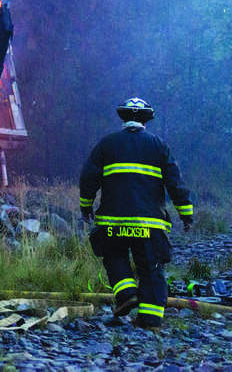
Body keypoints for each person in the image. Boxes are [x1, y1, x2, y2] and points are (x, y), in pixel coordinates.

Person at [80, 97, 194, 329]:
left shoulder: (107, 144)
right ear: (146, 120)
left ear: (123, 117)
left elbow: (88, 178)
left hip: (113, 223)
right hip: (149, 224)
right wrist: (186, 214)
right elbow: (175, 183)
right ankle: (150, 320)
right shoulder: (159, 146)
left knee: (114, 257)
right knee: (151, 268)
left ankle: (127, 295)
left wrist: (86, 206)